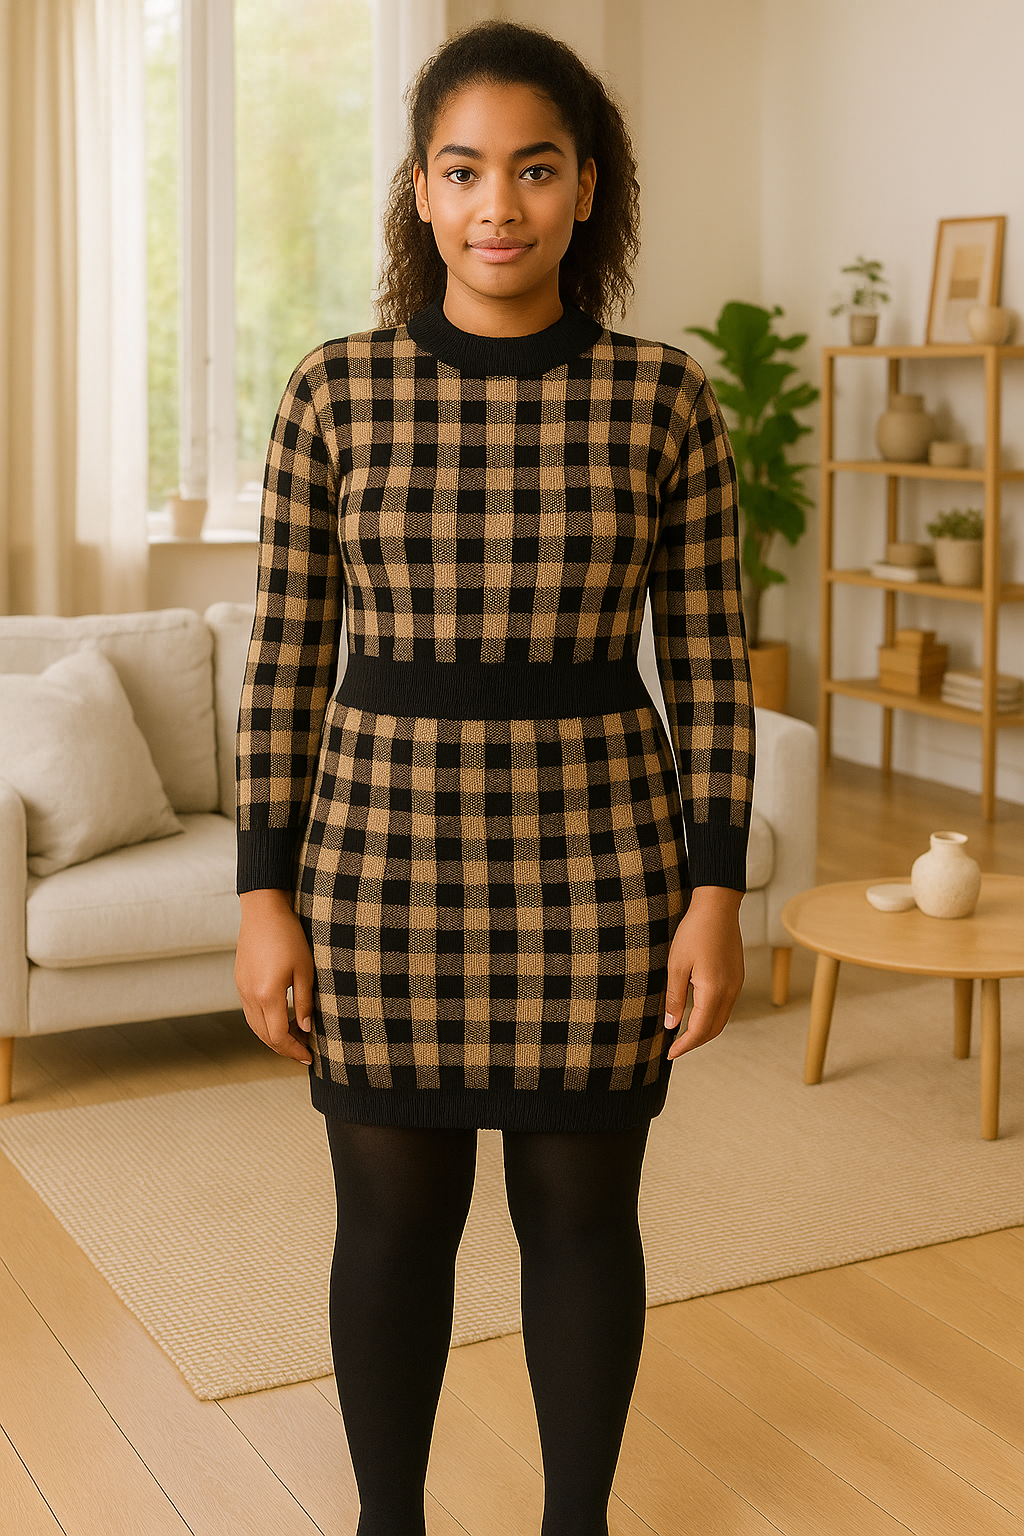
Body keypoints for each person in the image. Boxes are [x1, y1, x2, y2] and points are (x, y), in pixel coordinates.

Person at [234, 20, 753, 1536]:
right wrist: (265, 891)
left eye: (535, 169)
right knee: (392, 1227)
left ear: (588, 189)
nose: (498, 205)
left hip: (602, 864)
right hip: (380, 865)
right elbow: (282, 670)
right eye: (463, 171)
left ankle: (572, 1526)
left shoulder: (667, 401)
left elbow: (711, 667)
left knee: (582, 1220)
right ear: (417, 191)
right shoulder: (333, 392)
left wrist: (713, 891)